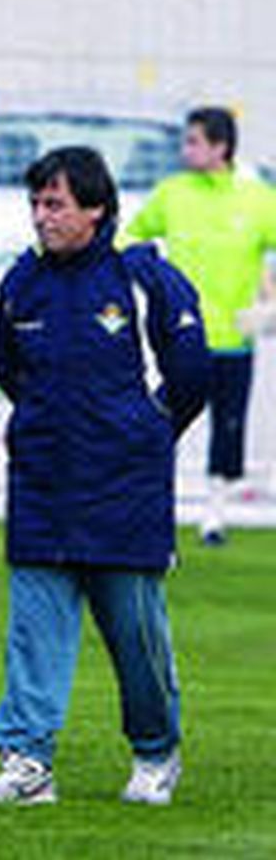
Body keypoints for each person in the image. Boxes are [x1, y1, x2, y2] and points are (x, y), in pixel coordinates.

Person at [0, 146, 208, 806]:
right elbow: (7, 369)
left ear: (95, 211)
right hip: (42, 485)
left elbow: (191, 367)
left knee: (135, 635)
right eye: (36, 205)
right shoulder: (20, 282)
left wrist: (147, 432)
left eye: (56, 205)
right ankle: (27, 761)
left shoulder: (141, 276)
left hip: (124, 491)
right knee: (34, 632)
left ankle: (157, 751)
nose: (41, 218)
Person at [122, 107, 276, 546]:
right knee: (160, 422)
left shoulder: (259, 199)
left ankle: (214, 516)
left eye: (193, 141)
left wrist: (272, 305)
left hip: (234, 341)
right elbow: (129, 238)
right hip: (180, 339)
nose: (185, 149)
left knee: (228, 428)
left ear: (220, 147)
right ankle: (145, 507)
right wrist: (152, 281)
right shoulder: (172, 193)